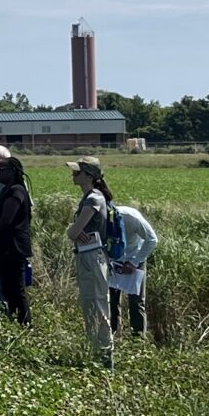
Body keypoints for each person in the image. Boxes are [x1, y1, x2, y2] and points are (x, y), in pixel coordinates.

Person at [66, 156, 121, 367]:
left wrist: (74, 231)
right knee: (91, 305)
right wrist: (75, 232)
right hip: (88, 255)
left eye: (78, 172)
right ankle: (97, 355)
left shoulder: (93, 199)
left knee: (97, 305)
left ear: (89, 176)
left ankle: (105, 359)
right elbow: (76, 232)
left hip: (92, 257)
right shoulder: (91, 197)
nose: (73, 174)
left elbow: (73, 232)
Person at [0, 146, 34, 323]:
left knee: (17, 288)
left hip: (14, 247)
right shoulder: (6, 189)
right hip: (3, 247)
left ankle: (25, 322)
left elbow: (6, 219)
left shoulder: (16, 190)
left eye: (2, 170)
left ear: (12, 171)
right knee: (8, 287)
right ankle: (11, 319)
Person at [107, 194, 160, 342]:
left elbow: (152, 240)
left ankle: (138, 340)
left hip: (134, 259)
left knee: (136, 302)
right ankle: (112, 337)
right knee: (111, 300)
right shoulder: (102, 219)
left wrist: (134, 262)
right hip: (114, 261)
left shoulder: (132, 218)